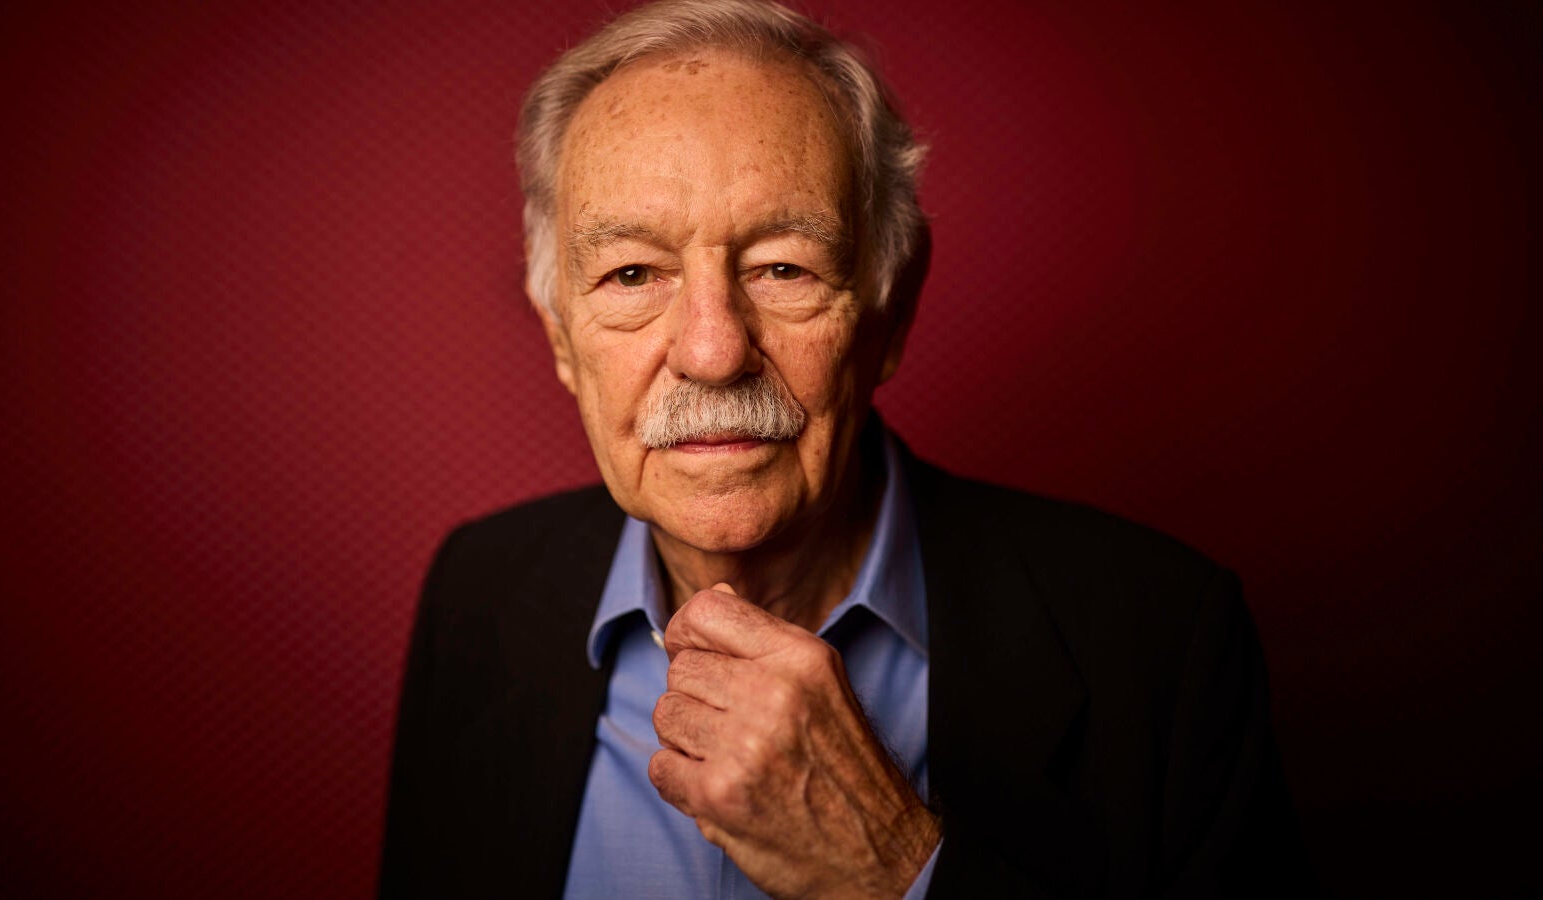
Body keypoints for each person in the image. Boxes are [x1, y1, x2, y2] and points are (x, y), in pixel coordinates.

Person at [381, 0, 1309, 896]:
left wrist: (896, 871)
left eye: (782, 267)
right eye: (632, 273)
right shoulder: (478, 592)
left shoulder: (1164, 642)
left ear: (890, 312)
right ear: (559, 336)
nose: (713, 352)